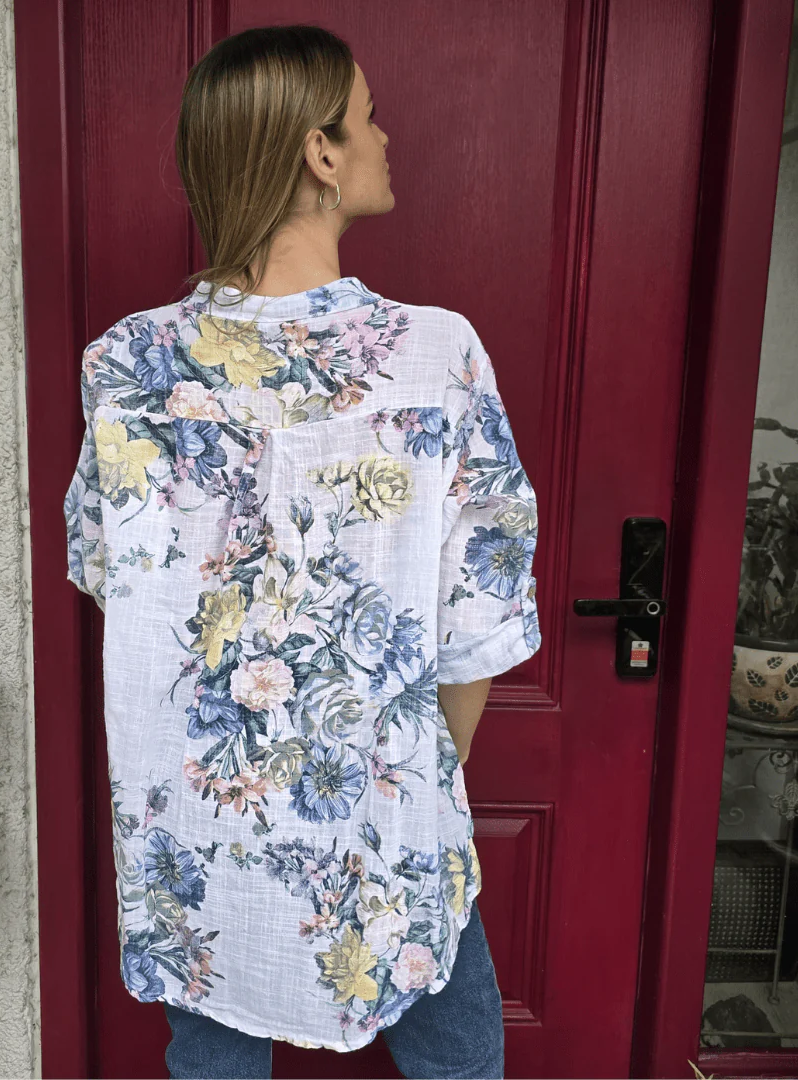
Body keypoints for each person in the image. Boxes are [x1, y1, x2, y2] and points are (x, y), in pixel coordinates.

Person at [63, 23, 541, 1080]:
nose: (385, 138)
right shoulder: (435, 357)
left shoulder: (129, 366)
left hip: (202, 827)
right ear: (322, 152)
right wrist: (405, 772)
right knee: (460, 1054)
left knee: (213, 1054)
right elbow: (481, 613)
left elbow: (113, 578)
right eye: (369, 118)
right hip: (389, 810)